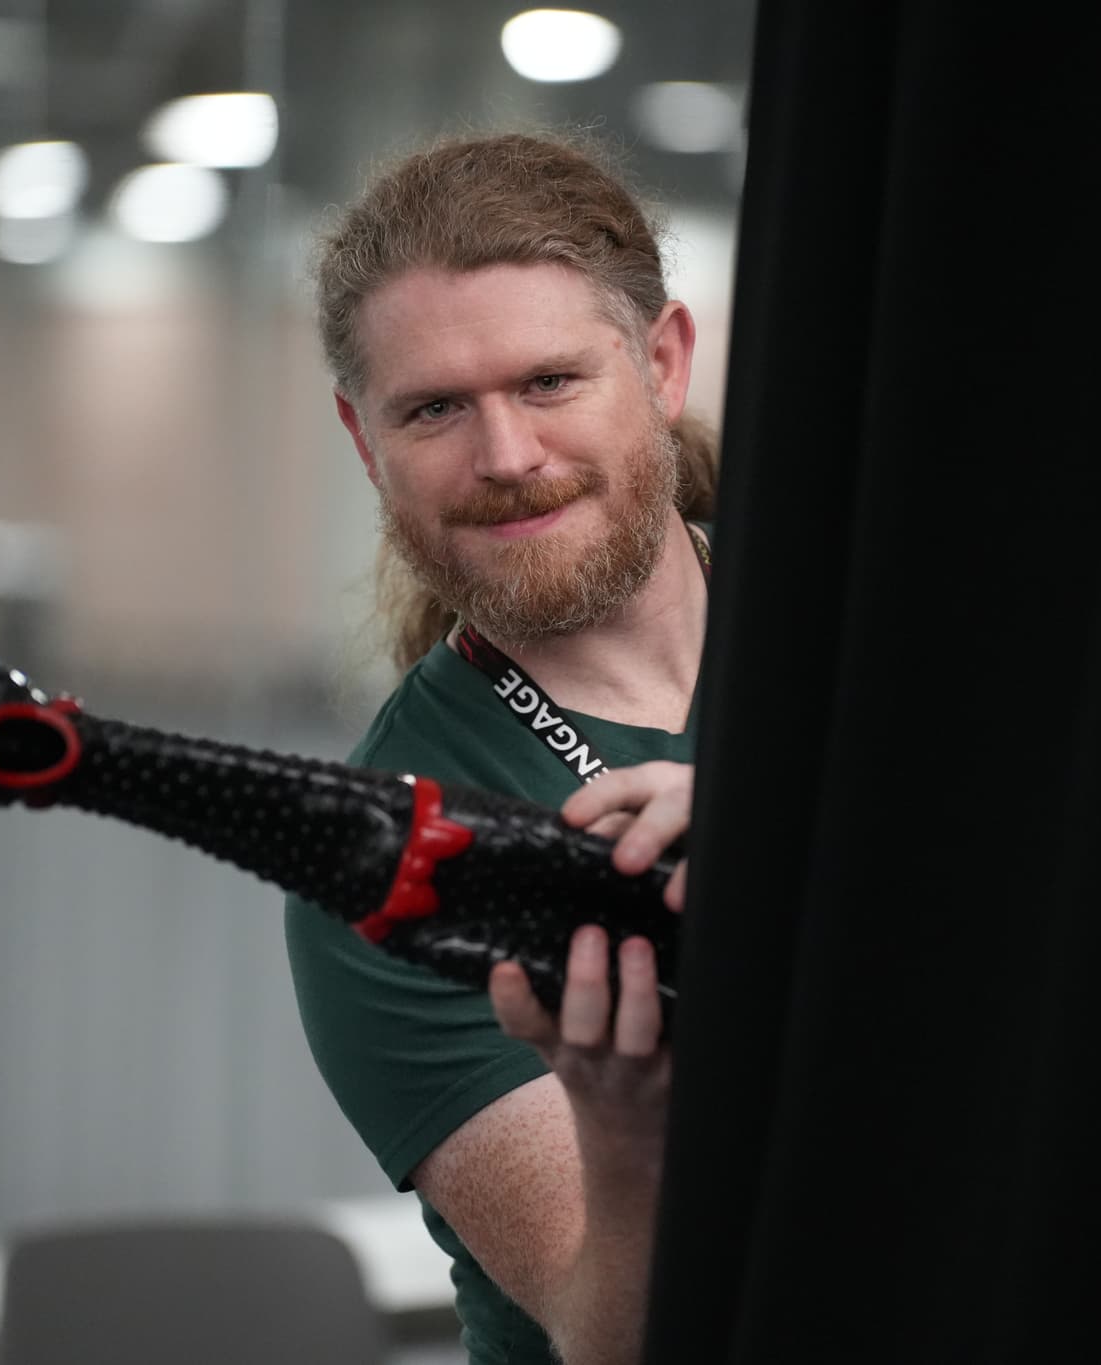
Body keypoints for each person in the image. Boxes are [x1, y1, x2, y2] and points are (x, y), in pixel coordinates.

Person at [285, 131, 719, 1365]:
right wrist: (630, 1139)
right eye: (432, 409)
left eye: (547, 382)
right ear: (365, 442)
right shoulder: (391, 852)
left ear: (660, 361)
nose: (508, 460)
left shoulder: (875, 638)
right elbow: (614, 1339)